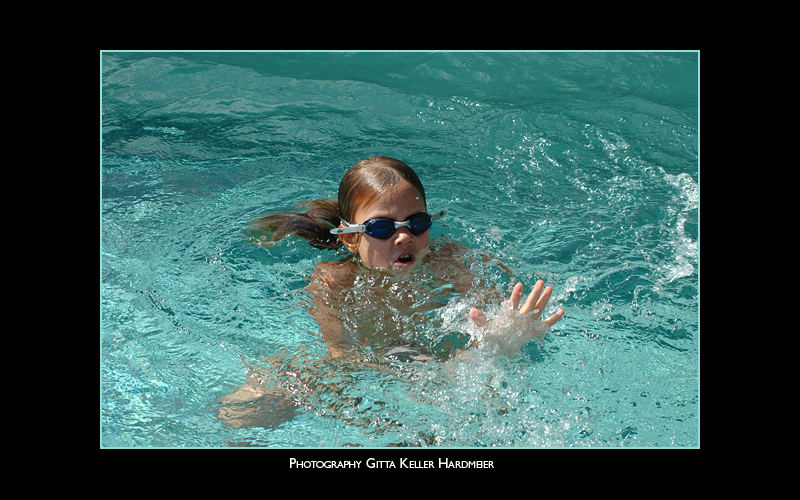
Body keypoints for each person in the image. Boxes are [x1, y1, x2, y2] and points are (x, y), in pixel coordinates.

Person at [215, 156, 564, 430]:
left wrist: (502, 335)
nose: (403, 237)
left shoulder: (450, 262)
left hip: (432, 360)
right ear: (350, 239)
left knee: (490, 404)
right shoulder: (334, 281)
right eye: (382, 227)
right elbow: (341, 354)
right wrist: (404, 377)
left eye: (417, 223)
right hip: (373, 363)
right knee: (240, 413)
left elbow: (491, 311)